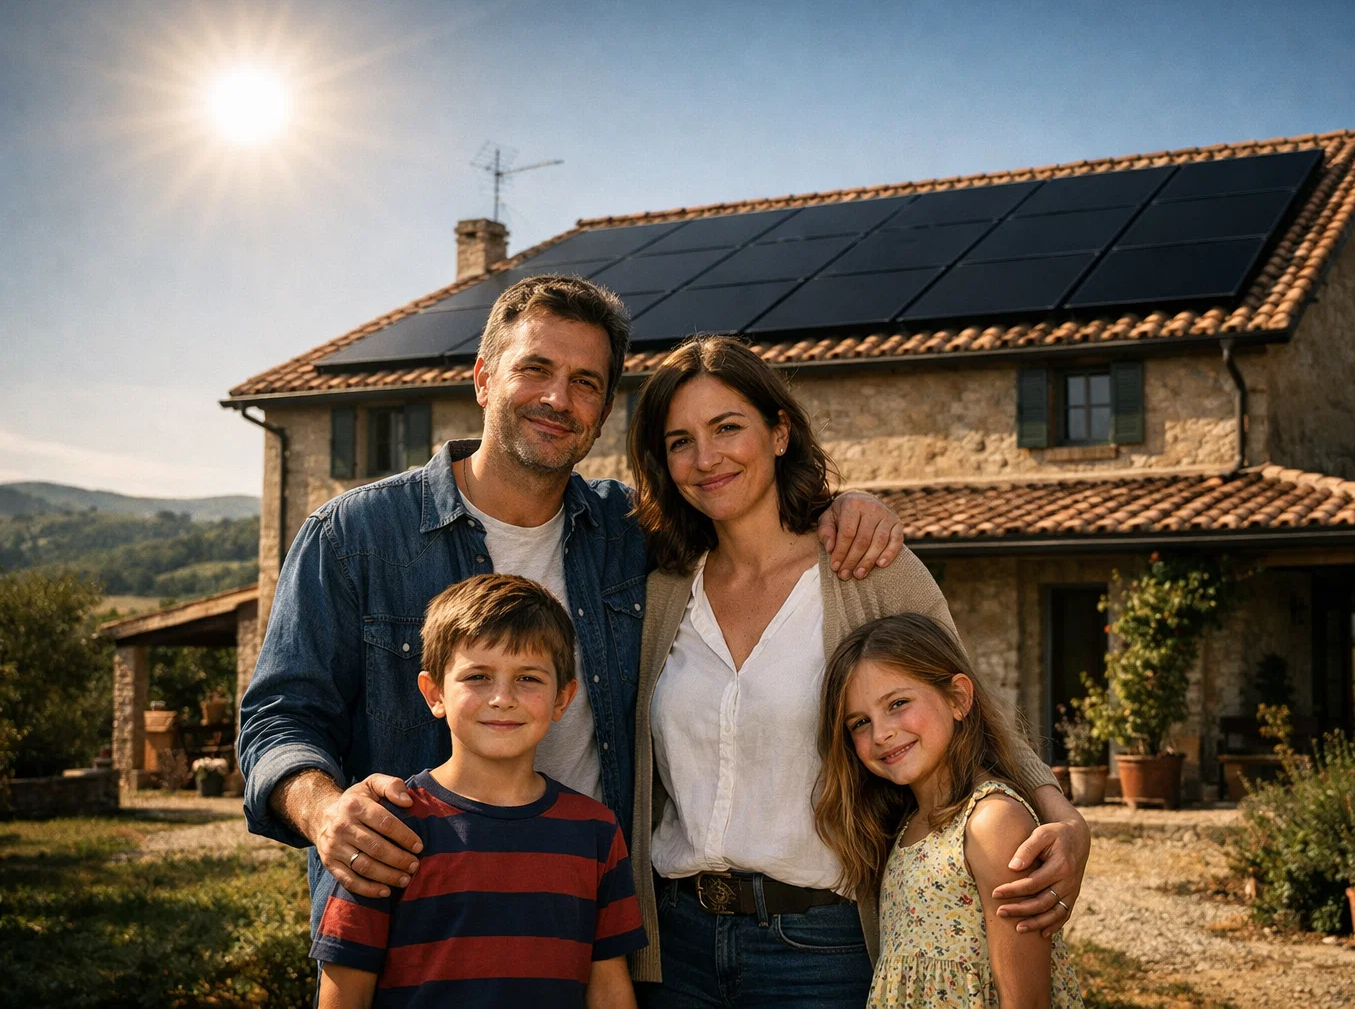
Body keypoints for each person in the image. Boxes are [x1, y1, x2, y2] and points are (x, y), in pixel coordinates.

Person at [236, 275, 905, 939]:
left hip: (589, 930)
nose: (559, 399)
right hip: (414, 935)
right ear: (483, 379)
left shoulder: (632, 532)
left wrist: (838, 509)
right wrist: (323, 811)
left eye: (586, 382)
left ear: (605, 408)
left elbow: (745, 511)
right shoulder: (354, 537)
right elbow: (279, 715)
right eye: (536, 369)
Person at [625, 336, 1091, 1007]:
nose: (706, 459)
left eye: (728, 427)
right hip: (678, 949)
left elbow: (963, 705)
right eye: (679, 441)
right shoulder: (663, 588)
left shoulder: (865, 566)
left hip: (819, 948)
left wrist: (1062, 815)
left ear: (779, 431)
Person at [310, 574, 647, 1008]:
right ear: (434, 694)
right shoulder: (387, 829)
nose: (502, 698)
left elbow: (608, 988)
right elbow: (345, 993)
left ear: (563, 698)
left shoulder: (596, 832)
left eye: (528, 678)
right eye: (478, 677)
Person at [816, 613, 1085, 1009]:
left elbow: (1025, 1001)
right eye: (859, 722)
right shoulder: (907, 824)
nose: (881, 733)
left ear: (958, 698)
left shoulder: (992, 823)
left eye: (898, 703)